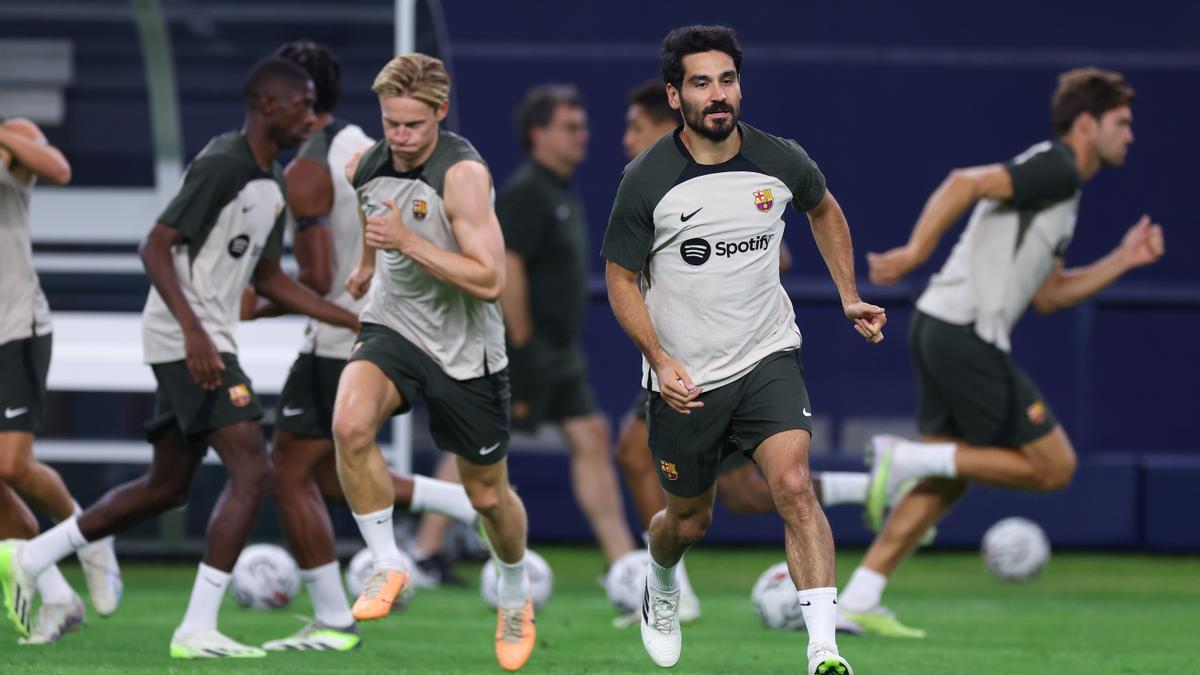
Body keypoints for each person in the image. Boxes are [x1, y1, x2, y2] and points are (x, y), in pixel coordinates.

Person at [0, 56, 361, 658]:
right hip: (187, 342)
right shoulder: (223, 162)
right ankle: (196, 629)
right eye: (301, 106)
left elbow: (270, 279)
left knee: (165, 488)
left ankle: (32, 557)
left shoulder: (272, 183)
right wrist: (194, 333)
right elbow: (155, 245)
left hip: (205, 339)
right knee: (256, 470)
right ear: (268, 106)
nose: (311, 117)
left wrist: (348, 319)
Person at [603, 25, 885, 675]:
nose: (718, 94)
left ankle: (823, 648)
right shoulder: (646, 180)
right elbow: (620, 280)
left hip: (767, 353)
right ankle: (662, 580)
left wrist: (848, 295)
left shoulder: (779, 158)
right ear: (675, 97)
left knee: (792, 484)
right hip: (685, 378)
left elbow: (825, 209)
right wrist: (659, 358)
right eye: (701, 83)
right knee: (688, 521)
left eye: (727, 79)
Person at [842, 67, 1162, 638]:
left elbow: (1050, 295)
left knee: (949, 475)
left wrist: (1121, 261)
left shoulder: (1065, 190)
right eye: (1122, 122)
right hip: (962, 333)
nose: (1131, 135)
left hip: (942, 329)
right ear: (1086, 124)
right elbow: (964, 181)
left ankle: (859, 597)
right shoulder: (1058, 166)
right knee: (1054, 466)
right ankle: (905, 457)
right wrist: (916, 252)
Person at [249, 41, 482, 652]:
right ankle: (466, 502)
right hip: (367, 329)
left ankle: (332, 618)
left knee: (288, 473)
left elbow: (315, 271)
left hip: (344, 337)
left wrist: (254, 300)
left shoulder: (322, 162)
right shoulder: (363, 147)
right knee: (330, 475)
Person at [332, 54, 535, 672]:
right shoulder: (365, 162)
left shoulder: (463, 175)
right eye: (391, 123)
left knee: (487, 496)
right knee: (349, 425)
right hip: (394, 325)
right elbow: (377, 214)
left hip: (464, 349)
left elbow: (490, 277)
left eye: (413, 125)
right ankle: (388, 563)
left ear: (440, 114)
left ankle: (514, 589)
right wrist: (368, 270)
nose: (400, 137)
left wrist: (407, 243)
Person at [496, 84, 637, 570]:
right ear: (539, 134)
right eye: (570, 127)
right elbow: (508, 267)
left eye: (584, 126)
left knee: (591, 437)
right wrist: (521, 341)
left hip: (560, 350)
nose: (583, 135)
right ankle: (427, 549)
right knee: (485, 442)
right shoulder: (527, 191)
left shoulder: (559, 189)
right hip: (527, 347)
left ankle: (623, 562)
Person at [0, 116, 122, 644]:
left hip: (15, 327)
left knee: (11, 464)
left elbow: (59, 169)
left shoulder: (13, 133)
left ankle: (89, 535)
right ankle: (56, 594)